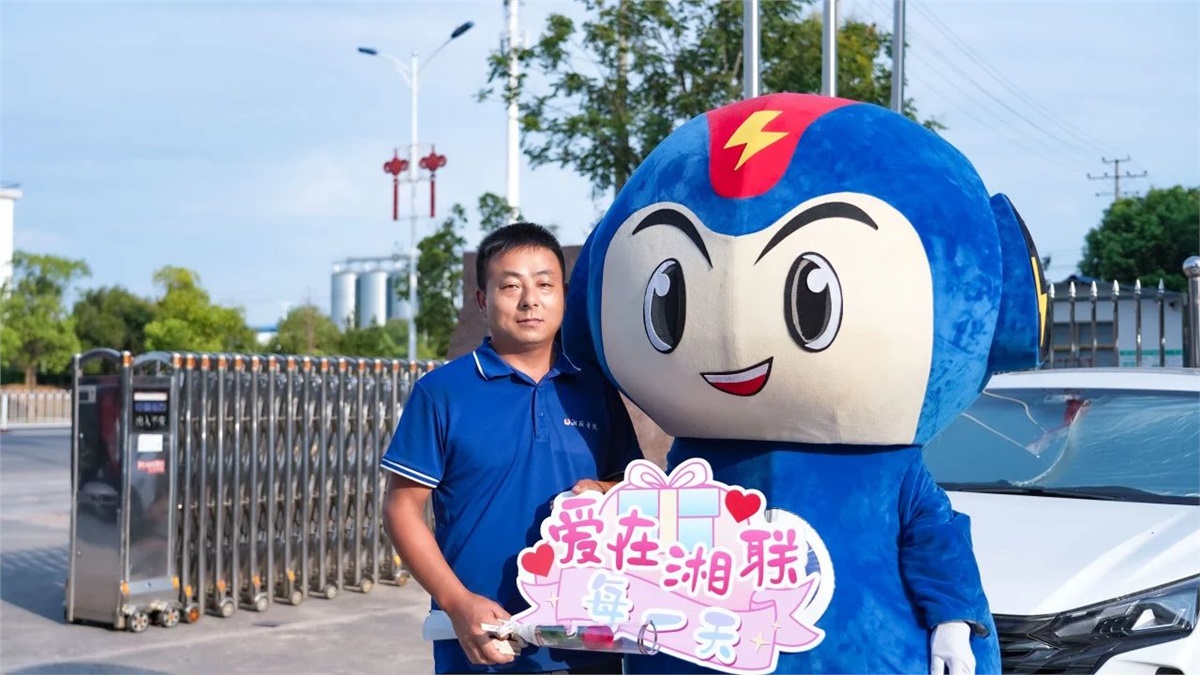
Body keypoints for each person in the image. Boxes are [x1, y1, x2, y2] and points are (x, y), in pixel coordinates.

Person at [381, 222, 643, 674]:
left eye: (544, 285)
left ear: (563, 296)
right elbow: (401, 508)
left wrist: (603, 489)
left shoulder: (595, 389)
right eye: (510, 286)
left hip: (587, 639)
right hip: (483, 643)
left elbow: (632, 484)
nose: (529, 300)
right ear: (483, 300)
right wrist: (456, 601)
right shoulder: (442, 392)